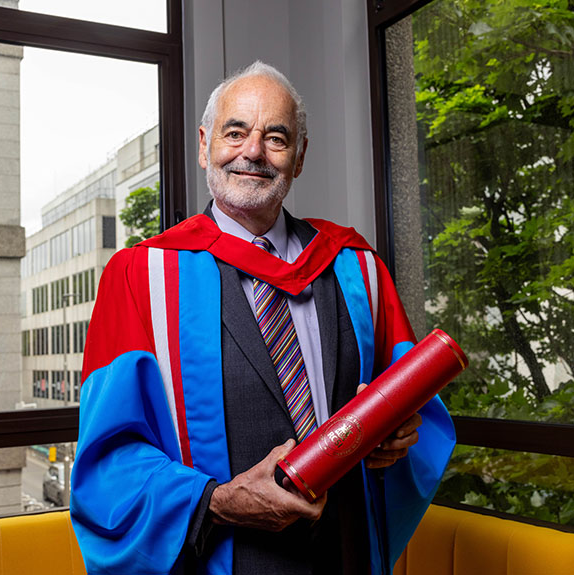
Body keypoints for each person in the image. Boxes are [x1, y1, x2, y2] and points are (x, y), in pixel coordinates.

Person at [70, 61, 455, 575]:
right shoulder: (140, 278)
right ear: (204, 143)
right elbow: (109, 463)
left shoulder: (355, 267)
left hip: (346, 551)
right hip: (225, 558)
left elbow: (411, 405)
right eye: (235, 133)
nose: (253, 152)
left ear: (299, 157)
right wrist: (218, 499)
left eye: (276, 137)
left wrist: (402, 433)